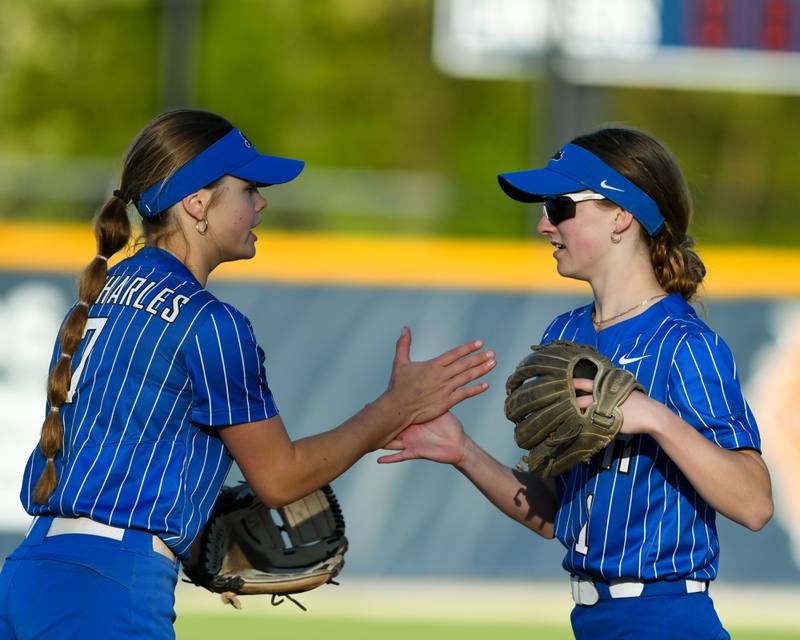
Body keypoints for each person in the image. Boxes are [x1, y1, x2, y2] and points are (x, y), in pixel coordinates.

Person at [0, 108, 496, 639]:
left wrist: (189, 535)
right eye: (247, 188)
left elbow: (127, 448)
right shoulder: (208, 322)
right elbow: (281, 478)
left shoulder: (103, 292)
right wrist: (394, 408)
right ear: (196, 203)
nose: (260, 203)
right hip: (108, 589)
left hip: (31, 570)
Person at [378, 127, 773, 639]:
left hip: (667, 618)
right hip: (591, 618)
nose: (544, 224)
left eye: (560, 206)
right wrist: (462, 452)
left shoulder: (684, 344)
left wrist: (654, 418)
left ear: (622, 215)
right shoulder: (565, 335)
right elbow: (552, 514)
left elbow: (755, 503)